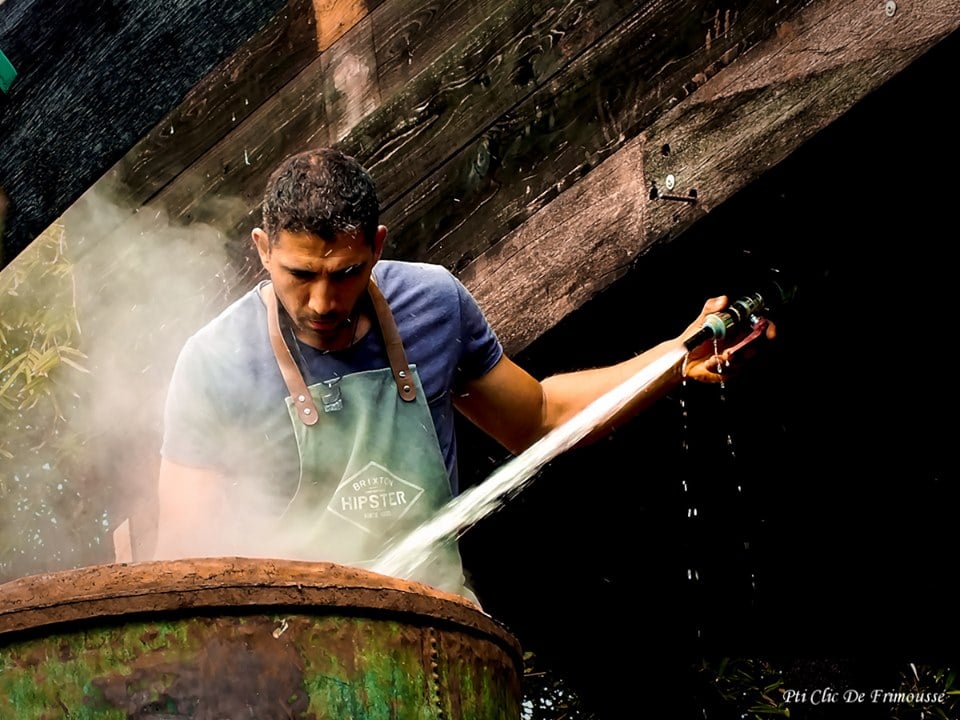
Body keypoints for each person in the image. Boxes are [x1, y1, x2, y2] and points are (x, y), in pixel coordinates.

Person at [154, 147, 775, 602]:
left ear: (376, 246)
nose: (322, 301)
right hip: (298, 660)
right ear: (263, 250)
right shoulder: (215, 361)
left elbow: (539, 418)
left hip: (436, 633)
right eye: (300, 274)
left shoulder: (434, 304)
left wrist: (672, 358)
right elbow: (182, 557)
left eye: (345, 274)